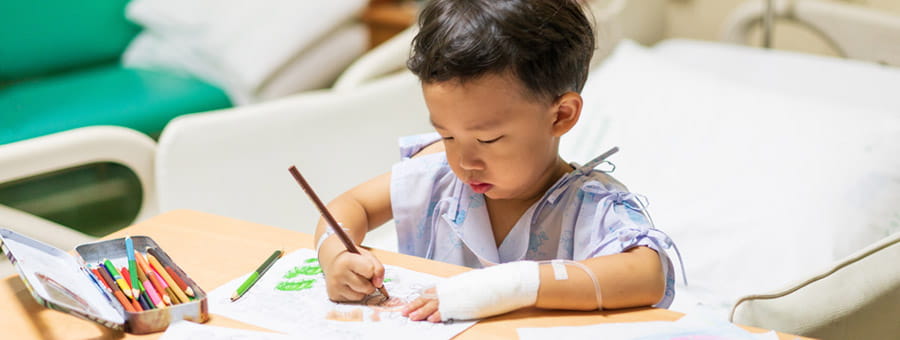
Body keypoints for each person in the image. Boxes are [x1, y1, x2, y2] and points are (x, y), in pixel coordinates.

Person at [314, 0, 679, 323]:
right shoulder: (438, 175)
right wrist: (335, 255)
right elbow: (350, 207)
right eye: (447, 135)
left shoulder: (587, 206)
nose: (464, 161)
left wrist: (511, 286)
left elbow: (647, 275)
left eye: (488, 139)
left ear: (561, 115)